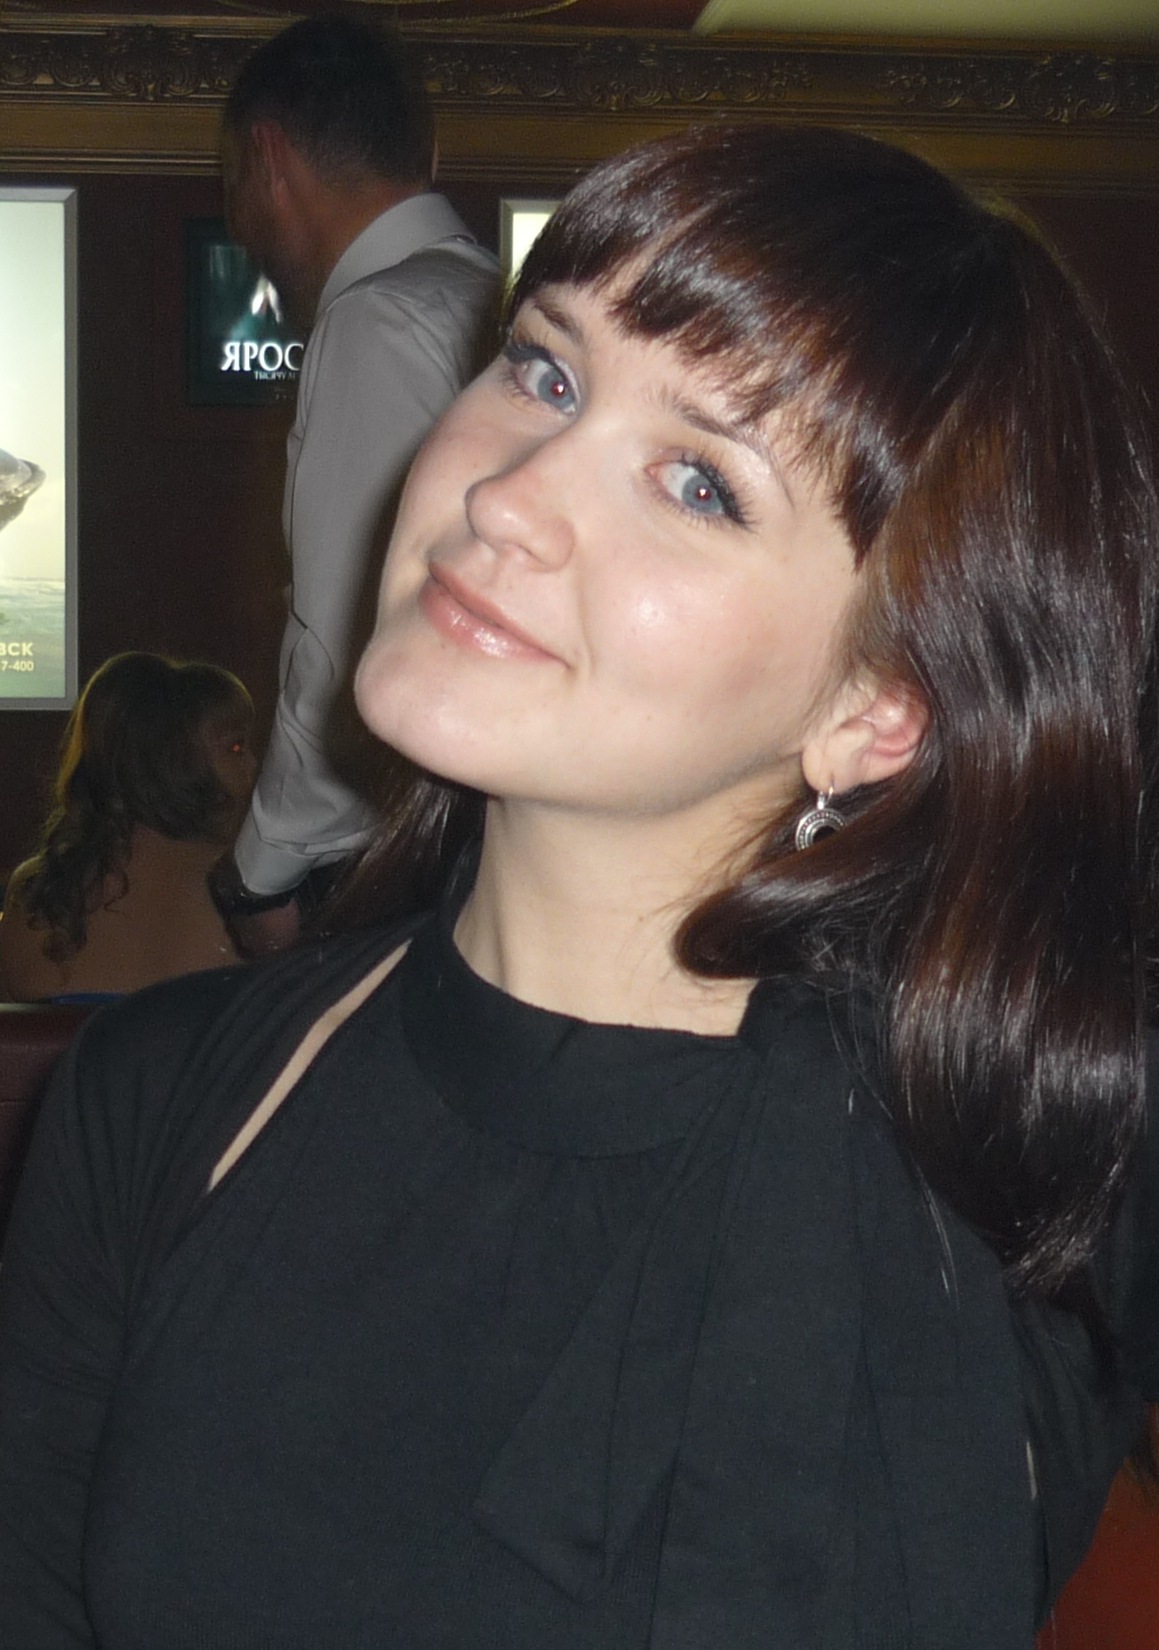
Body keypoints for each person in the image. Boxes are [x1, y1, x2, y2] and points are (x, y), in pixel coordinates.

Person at [1, 123, 1157, 1649]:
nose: (511, 495)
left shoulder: (979, 1215)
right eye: (545, 372)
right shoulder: (158, 1098)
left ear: (873, 712)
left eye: (697, 482)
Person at [210, 14, 500, 954]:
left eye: (230, 188)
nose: (237, 226)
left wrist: (259, 872)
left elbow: (343, 644)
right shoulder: (488, 301)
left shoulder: (378, 322)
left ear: (267, 160)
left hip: (393, 868)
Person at [0, 652, 255, 1001]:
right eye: (236, 747)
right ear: (170, 764)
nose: (253, 764)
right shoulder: (247, 896)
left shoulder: (37, 892)